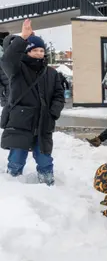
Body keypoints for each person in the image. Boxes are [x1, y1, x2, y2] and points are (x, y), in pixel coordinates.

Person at [1, 19, 64, 185]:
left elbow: (59, 95)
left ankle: (48, 185)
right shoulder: (17, 69)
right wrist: (22, 38)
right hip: (21, 120)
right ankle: (13, 186)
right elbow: (8, 59)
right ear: (27, 51)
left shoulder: (51, 73)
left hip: (43, 122)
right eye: (35, 50)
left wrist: (53, 112)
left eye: (42, 50)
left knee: (44, 159)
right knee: (16, 159)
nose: (39, 53)